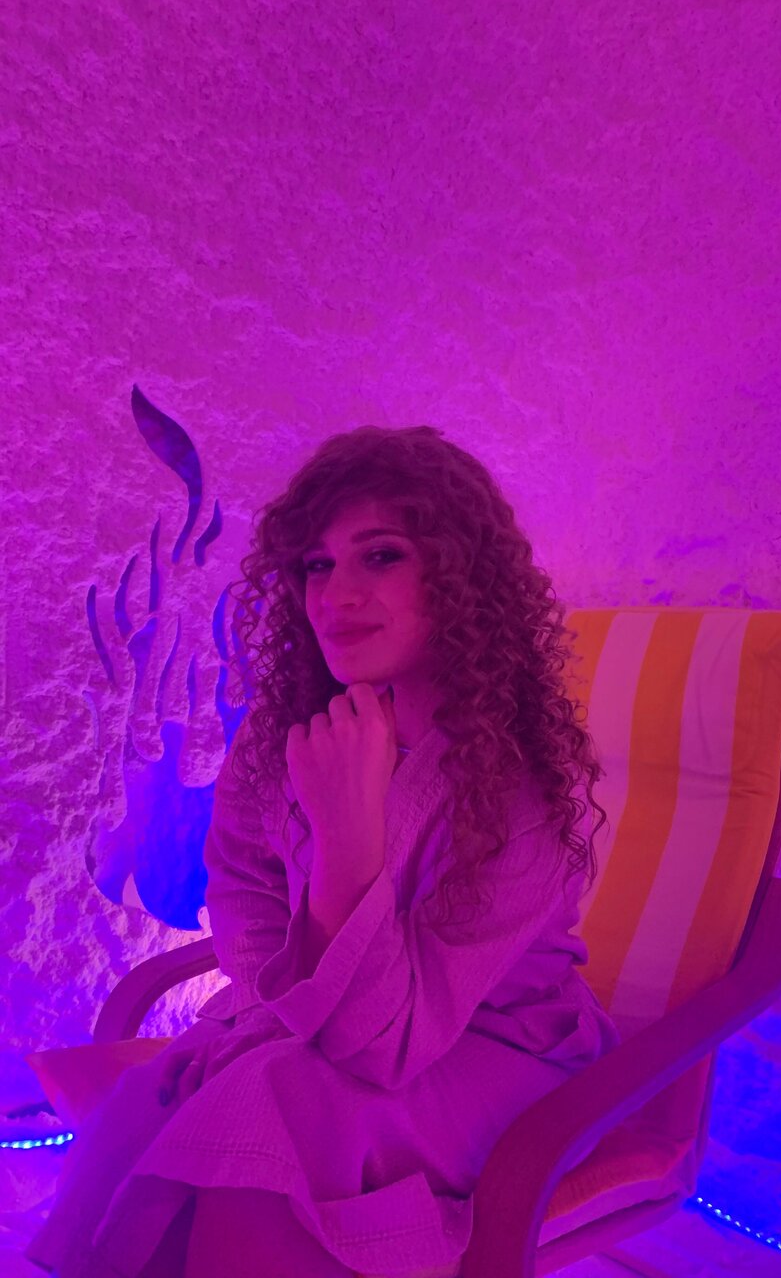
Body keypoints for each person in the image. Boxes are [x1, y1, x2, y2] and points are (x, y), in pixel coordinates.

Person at [26, 424, 620, 1278]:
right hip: (307, 1025)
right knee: (171, 1090)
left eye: (380, 555)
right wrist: (278, 1011)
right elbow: (243, 890)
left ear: (460, 577)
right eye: (316, 564)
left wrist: (347, 832)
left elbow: (388, 1047)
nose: (336, 593)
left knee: (270, 1104)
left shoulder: (516, 781)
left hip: (502, 1051)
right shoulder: (285, 736)